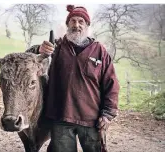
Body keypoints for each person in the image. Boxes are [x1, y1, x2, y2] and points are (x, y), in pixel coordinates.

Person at [27, 5, 120, 152]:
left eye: (81, 21)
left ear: (87, 25)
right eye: (73, 21)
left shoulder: (100, 51)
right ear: (67, 25)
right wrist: (38, 50)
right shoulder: (56, 47)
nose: (76, 25)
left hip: (92, 118)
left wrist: (108, 114)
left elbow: (111, 84)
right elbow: (28, 58)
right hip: (61, 117)